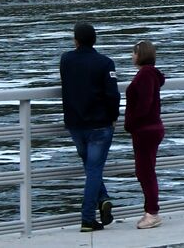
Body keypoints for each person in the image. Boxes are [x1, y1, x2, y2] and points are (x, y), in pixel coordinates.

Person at [59, 22, 119, 232]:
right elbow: (113, 94)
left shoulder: (66, 60)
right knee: (94, 169)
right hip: (100, 125)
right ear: (95, 40)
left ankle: (103, 199)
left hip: (75, 124)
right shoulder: (105, 63)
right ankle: (87, 218)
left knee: (90, 167)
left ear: (75, 40)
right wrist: (114, 116)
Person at [125, 40, 166, 230]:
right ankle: (150, 210)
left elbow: (144, 104)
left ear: (141, 55)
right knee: (145, 170)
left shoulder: (145, 75)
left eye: (134, 53)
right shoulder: (150, 74)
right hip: (151, 128)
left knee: (145, 172)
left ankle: (152, 212)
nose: (131, 56)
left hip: (145, 130)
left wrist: (131, 123)